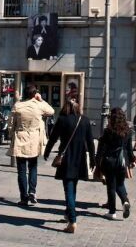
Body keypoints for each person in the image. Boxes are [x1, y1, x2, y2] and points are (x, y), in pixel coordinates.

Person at [43, 96, 95, 234]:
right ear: (79, 106)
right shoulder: (84, 120)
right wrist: (93, 160)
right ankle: (68, 213)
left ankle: (72, 220)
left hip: (66, 158)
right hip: (79, 158)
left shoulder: (63, 119)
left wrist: (47, 152)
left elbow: (53, 138)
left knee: (69, 189)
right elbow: (90, 142)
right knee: (73, 186)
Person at [7, 84, 55, 206]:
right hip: (34, 139)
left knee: (21, 170)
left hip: (20, 138)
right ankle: (32, 192)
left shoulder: (18, 106)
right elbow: (51, 111)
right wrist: (41, 99)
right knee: (33, 167)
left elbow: (11, 123)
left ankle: (24, 197)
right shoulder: (39, 105)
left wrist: (11, 135)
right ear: (35, 94)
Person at [96, 107, 136, 220]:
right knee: (120, 184)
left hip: (109, 161)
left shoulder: (108, 131)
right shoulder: (128, 131)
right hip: (122, 161)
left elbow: (102, 147)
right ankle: (125, 202)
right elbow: (129, 149)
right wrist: (132, 160)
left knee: (111, 186)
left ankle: (112, 211)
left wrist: (97, 161)